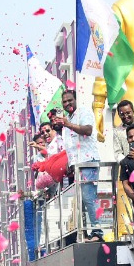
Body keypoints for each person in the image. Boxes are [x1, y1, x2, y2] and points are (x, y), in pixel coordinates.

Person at [52, 88, 102, 239]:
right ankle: (86, 233)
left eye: (70, 100)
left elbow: (87, 130)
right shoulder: (68, 118)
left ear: (76, 100)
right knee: (81, 201)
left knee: (88, 197)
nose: (67, 104)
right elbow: (71, 144)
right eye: (64, 102)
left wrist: (68, 125)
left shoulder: (83, 112)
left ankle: (98, 232)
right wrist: (69, 162)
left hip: (88, 162)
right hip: (77, 165)